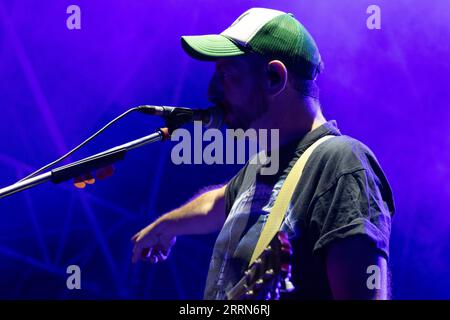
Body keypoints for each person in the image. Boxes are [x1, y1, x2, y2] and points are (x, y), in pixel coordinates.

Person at [131, 7, 395, 300]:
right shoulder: (265, 166)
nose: (210, 92)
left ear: (273, 77)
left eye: (226, 74)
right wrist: (167, 225)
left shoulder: (342, 163)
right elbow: (217, 203)